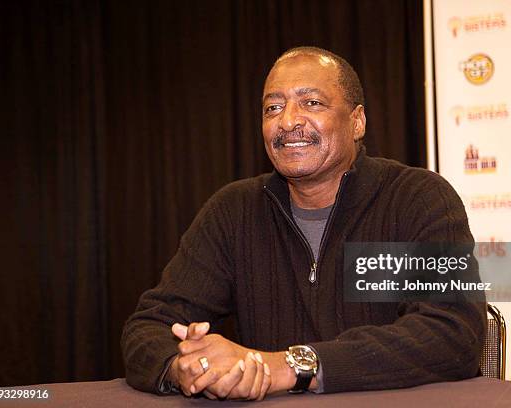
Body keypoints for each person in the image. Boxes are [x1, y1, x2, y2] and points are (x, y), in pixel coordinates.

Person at [121, 46, 486, 401]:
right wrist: (186, 366)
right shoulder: (234, 211)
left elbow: (453, 332)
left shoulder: (417, 198)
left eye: (311, 103)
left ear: (356, 121)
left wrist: (292, 366)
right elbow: (148, 327)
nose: (288, 121)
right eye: (273, 108)